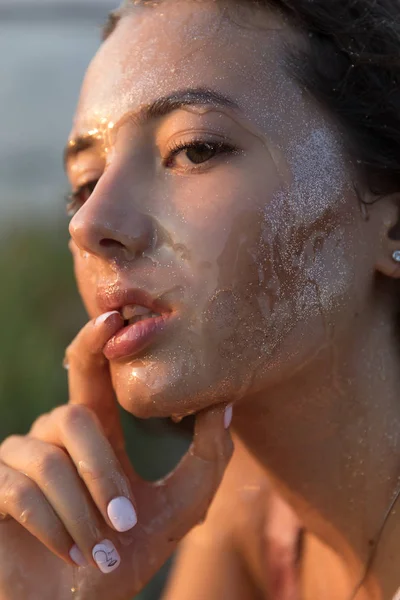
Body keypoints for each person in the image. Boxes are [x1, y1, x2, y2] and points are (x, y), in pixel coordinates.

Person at [1, 0, 400, 598]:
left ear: (393, 224)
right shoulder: (251, 517)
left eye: (195, 149)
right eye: (84, 183)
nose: (89, 224)